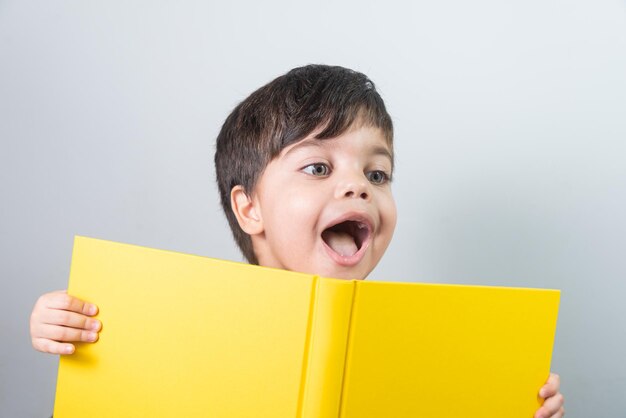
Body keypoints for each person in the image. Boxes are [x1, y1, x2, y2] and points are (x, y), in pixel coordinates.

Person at [29, 65, 565, 418]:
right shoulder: (180, 321)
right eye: (317, 166)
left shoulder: (436, 349)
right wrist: (63, 322)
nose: (357, 184)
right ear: (250, 207)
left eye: (377, 175)